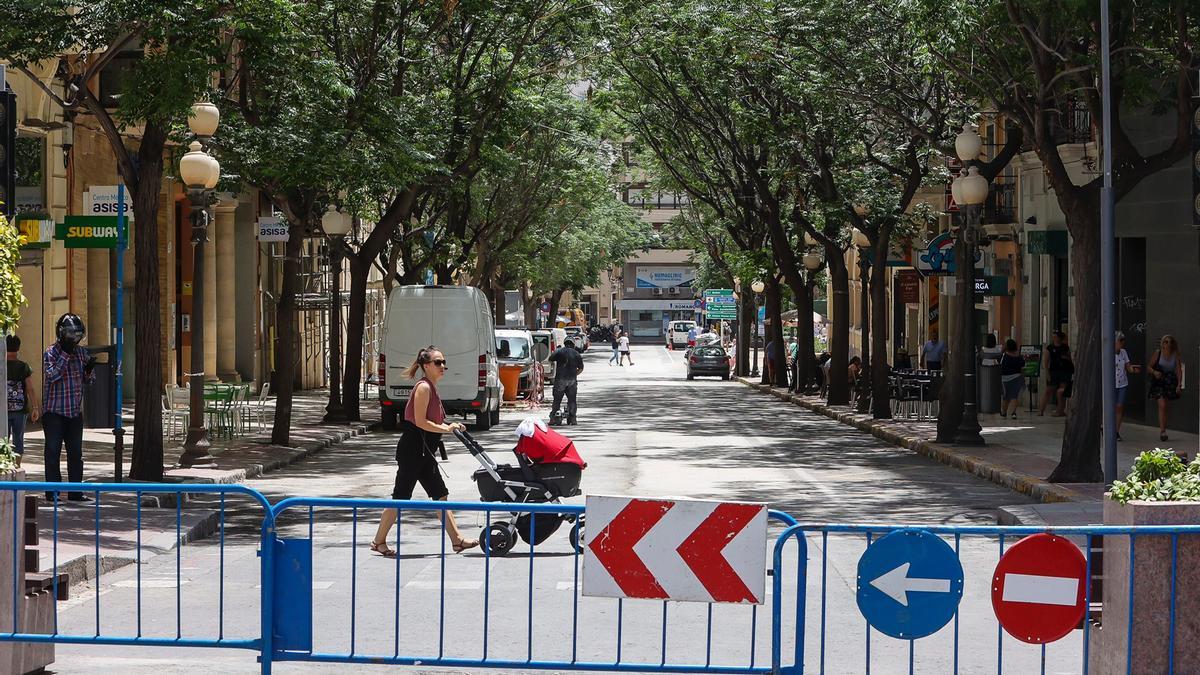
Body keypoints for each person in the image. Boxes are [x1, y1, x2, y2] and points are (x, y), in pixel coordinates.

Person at [370, 346, 478, 557]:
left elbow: (433, 419)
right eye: (438, 362)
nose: (443, 366)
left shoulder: (431, 387)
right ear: (426, 366)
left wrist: (451, 424)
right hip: (413, 451)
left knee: (440, 495)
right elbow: (420, 421)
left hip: (425, 452)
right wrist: (445, 429)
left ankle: (456, 540)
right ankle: (378, 540)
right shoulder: (423, 388)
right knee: (400, 498)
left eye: (443, 362)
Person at [42, 314, 95, 501]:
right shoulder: (51, 352)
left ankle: (75, 492)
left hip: (74, 413)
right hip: (54, 413)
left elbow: (88, 381)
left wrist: (89, 370)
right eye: (70, 335)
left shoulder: (81, 353)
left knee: (75, 455)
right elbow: (52, 376)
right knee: (52, 453)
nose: (74, 339)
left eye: (77, 335)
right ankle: (53, 493)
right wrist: (65, 353)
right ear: (61, 333)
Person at [6, 335, 39, 467]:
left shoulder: (2, 366)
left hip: (3, 410)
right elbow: (30, 388)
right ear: (18, 348)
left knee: (3, 439)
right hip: (21, 409)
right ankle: (17, 466)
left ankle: (4, 465)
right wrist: (35, 408)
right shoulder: (24, 367)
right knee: (18, 438)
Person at [1148, 334, 1185, 442]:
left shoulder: (1175, 355)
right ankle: (1162, 431)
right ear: (1162, 343)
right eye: (1165, 342)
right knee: (1162, 405)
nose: (1168, 344)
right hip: (1159, 381)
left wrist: (1179, 385)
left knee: (1165, 407)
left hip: (1169, 382)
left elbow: (1178, 371)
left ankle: (1163, 428)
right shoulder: (1158, 353)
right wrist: (1154, 372)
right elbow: (1149, 366)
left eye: (1170, 342)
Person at [549, 338, 584, 425]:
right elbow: (581, 368)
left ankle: (553, 418)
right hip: (572, 380)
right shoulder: (576, 354)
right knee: (572, 400)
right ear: (573, 344)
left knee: (557, 399)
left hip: (560, 379)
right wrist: (574, 374)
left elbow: (550, 359)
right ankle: (573, 418)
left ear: (565, 343)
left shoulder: (559, 351)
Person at [1038, 330, 1073, 417]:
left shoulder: (1065, 347)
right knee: (1048, 391)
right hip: (1053, 371)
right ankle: (1041, 410)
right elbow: (1046, 362)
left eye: (1055, 337)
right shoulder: (1050, 348)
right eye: (1053, 337)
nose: (1054, 338)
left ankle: (1060, 410)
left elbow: (1070, 359)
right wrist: (1047, 373)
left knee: (1061, 392)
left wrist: (1066, 358)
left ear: (1059, 338)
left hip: (1065, 371)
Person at [1114, 331, 1141, 441]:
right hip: (1111, 383)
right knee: (1109, 406)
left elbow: (1128, 366)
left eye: (1123, 340)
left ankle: (1116, 431)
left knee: (1120, 406)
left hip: (1122, 383)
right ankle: (1105, 426)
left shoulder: (1123, 352)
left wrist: (1134, 370)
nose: (1122, 343)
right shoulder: (1107, 353)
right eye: (1120, 340)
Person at [999, 338, 1025, 419]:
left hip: (1005, 379)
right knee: (1014, 396)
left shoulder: (1003, 356)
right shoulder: (1019, 356)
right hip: (1017, 377)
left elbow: (999, 365)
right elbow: (1022, 368)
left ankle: (1004, 412)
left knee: (1006, 397)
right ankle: (1013, 412)